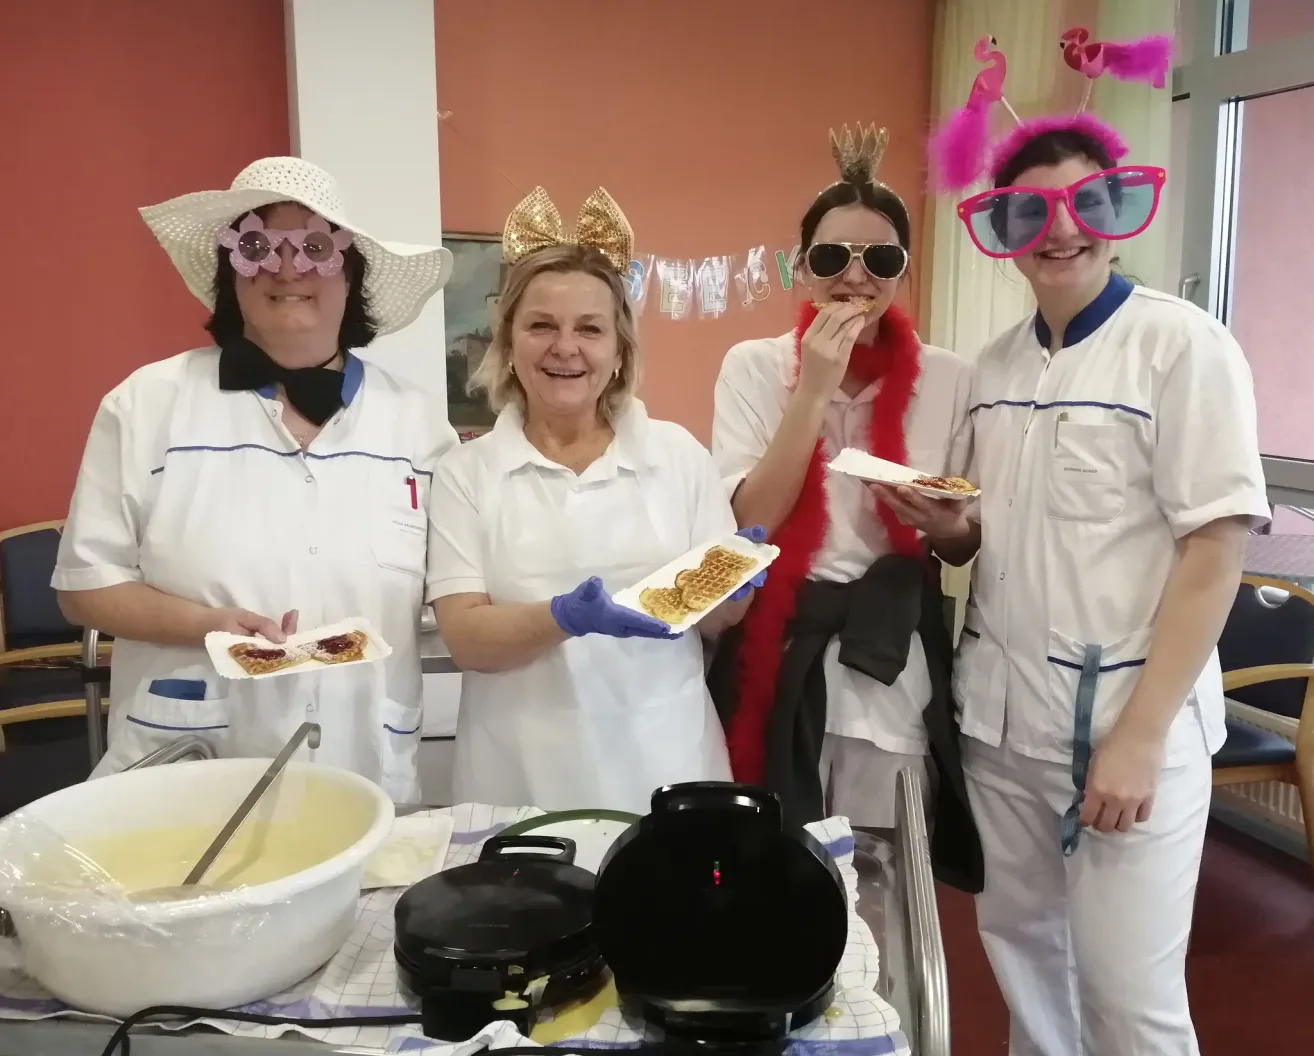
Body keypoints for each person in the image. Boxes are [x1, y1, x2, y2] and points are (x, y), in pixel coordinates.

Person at [916, 47, 1269, 1056]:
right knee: (1028, 967)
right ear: (1004, 232)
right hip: (1003, 724)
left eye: (1085, 204)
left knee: (1128, 1000)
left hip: (1124, 725)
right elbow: (997, 528)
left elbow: (1215, 546)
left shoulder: (1181, 347)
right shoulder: (992, 367)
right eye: (1030, 211)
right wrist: (953, 529)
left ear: (1118, 214)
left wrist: (1137, 738)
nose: (1059, 228)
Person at [54, 156, 457, 803]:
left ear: (350, 274)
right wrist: (210, 625)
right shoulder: (145, 406)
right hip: (189, 760)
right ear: (229, 274)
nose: (289, 268)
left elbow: (455, 590)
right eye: (257, 246)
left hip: (364, 761)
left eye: (317, 248)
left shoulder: (417, 428)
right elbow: (86, 588)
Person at [707, 124, 982, 891]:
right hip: (778, 643)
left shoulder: (952, 378)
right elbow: (749, 521)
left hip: (891, 659)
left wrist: (952, 528)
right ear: (803, 267)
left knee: (887, 879)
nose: (855, 277)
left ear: (904, 270)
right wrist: (815, 389)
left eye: (880, 258)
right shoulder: (755, 367)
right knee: (776, 877)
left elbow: (962, 545)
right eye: (832, 257)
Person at [427, 186, 762, 814]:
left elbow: (717, 622)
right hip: (520, 779)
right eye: (541, 326)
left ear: (618, 349)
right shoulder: (466, 472)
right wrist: (563, 618)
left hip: (669, 763)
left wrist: (731, 588)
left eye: (589, 329)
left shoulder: (678, 455)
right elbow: (466, 637)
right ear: (508, 341)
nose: (565, 347)